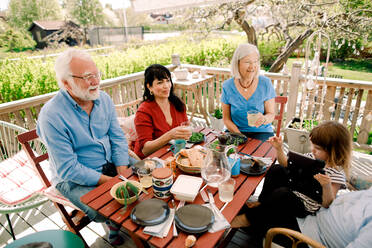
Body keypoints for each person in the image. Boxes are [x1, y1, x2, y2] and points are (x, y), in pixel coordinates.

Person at [37, 48, 136, 246]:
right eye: (87, 77)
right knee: (103, 208)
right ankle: (115, 224)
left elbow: (117, 137)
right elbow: (68, 168)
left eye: (97, 74)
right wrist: (113, 182)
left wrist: (122, 173)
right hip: (73, 178)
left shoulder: (104, 100)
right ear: (66, 83)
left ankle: (121, 222)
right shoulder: (51, 116)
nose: (95, 82)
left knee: (144, 175)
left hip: (109, 162)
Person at [231, 121, 352, 234]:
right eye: (312, 145)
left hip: (305, 205)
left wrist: (326, 185)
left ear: (334, 151)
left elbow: (327, 203)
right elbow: (285, 164)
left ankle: (247, 219)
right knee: (276, 169)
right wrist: (278, 148)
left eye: (318, 149)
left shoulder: (336, 174)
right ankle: (261, 202)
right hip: (295, 188)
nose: (313, 150)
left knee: (283, 194)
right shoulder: (311, 157)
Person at [134, 64, 192, 159]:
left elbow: (186, 126)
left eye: (168, 81)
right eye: (160, 82)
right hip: (151, 159)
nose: (166, 86)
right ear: (149, 87)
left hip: (173, 152)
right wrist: (169, 135)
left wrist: (187, 133)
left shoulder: (177, 103)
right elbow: (145, 150)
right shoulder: (143, 111)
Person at [221, 43, 276, 141]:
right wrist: (240, 136)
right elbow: (226, 119)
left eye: (255, 62)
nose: (252, 66)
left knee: (259, 156)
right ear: (237, 63)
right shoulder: (227, 86)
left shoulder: (265, 83)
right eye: (247, 62)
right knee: (226, 154)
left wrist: (264, 119)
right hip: (236, 131)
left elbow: (271, 114)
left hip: (262, 132)